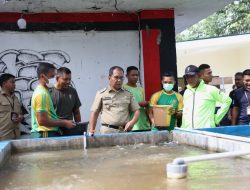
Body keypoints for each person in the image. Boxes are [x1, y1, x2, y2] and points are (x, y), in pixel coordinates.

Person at [89, 66, 140, 135]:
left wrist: (132, 122)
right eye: (116, 77)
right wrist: (91, 131)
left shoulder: (128, 94)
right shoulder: (101, 94)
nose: (119, 80)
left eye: (121, 78)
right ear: (109, 77)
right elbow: (94, 113)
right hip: (107, 132)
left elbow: (137, 111)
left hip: (124, 132)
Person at [31, 63, 75, 138]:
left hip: (48, 133)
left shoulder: (45, 91)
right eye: (52, 76)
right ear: (42, 76)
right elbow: (42, 121)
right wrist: (64, 123)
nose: (55, 79)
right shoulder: (41, 94)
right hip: (45, 134)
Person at [50, 67, 83, 136]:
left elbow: (76, 112)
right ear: (57, 78)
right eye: (65, 79)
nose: (68, 82)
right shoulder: (48, 92)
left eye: (69, 79)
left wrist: (78, 128)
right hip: (53, 130)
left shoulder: (72, 91)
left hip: (69, 129)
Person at [123, 66, 150, 132]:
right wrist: (139, 104)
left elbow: (145, 108)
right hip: (131, 125)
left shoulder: (141, 89)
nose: (135, 77)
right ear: (127, 76)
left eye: (137, 75)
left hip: (145, 125)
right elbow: (123, 107)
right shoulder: (123, 88)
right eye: (133, 75)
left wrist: (147, 104)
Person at [0, 74, 23, 140]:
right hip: (3, 137)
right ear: (4, 83)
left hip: (16, 136)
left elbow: (20, 113)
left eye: (14, 82)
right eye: (12, 82)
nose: (14, 84)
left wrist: (21, 117)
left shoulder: (15, 98)